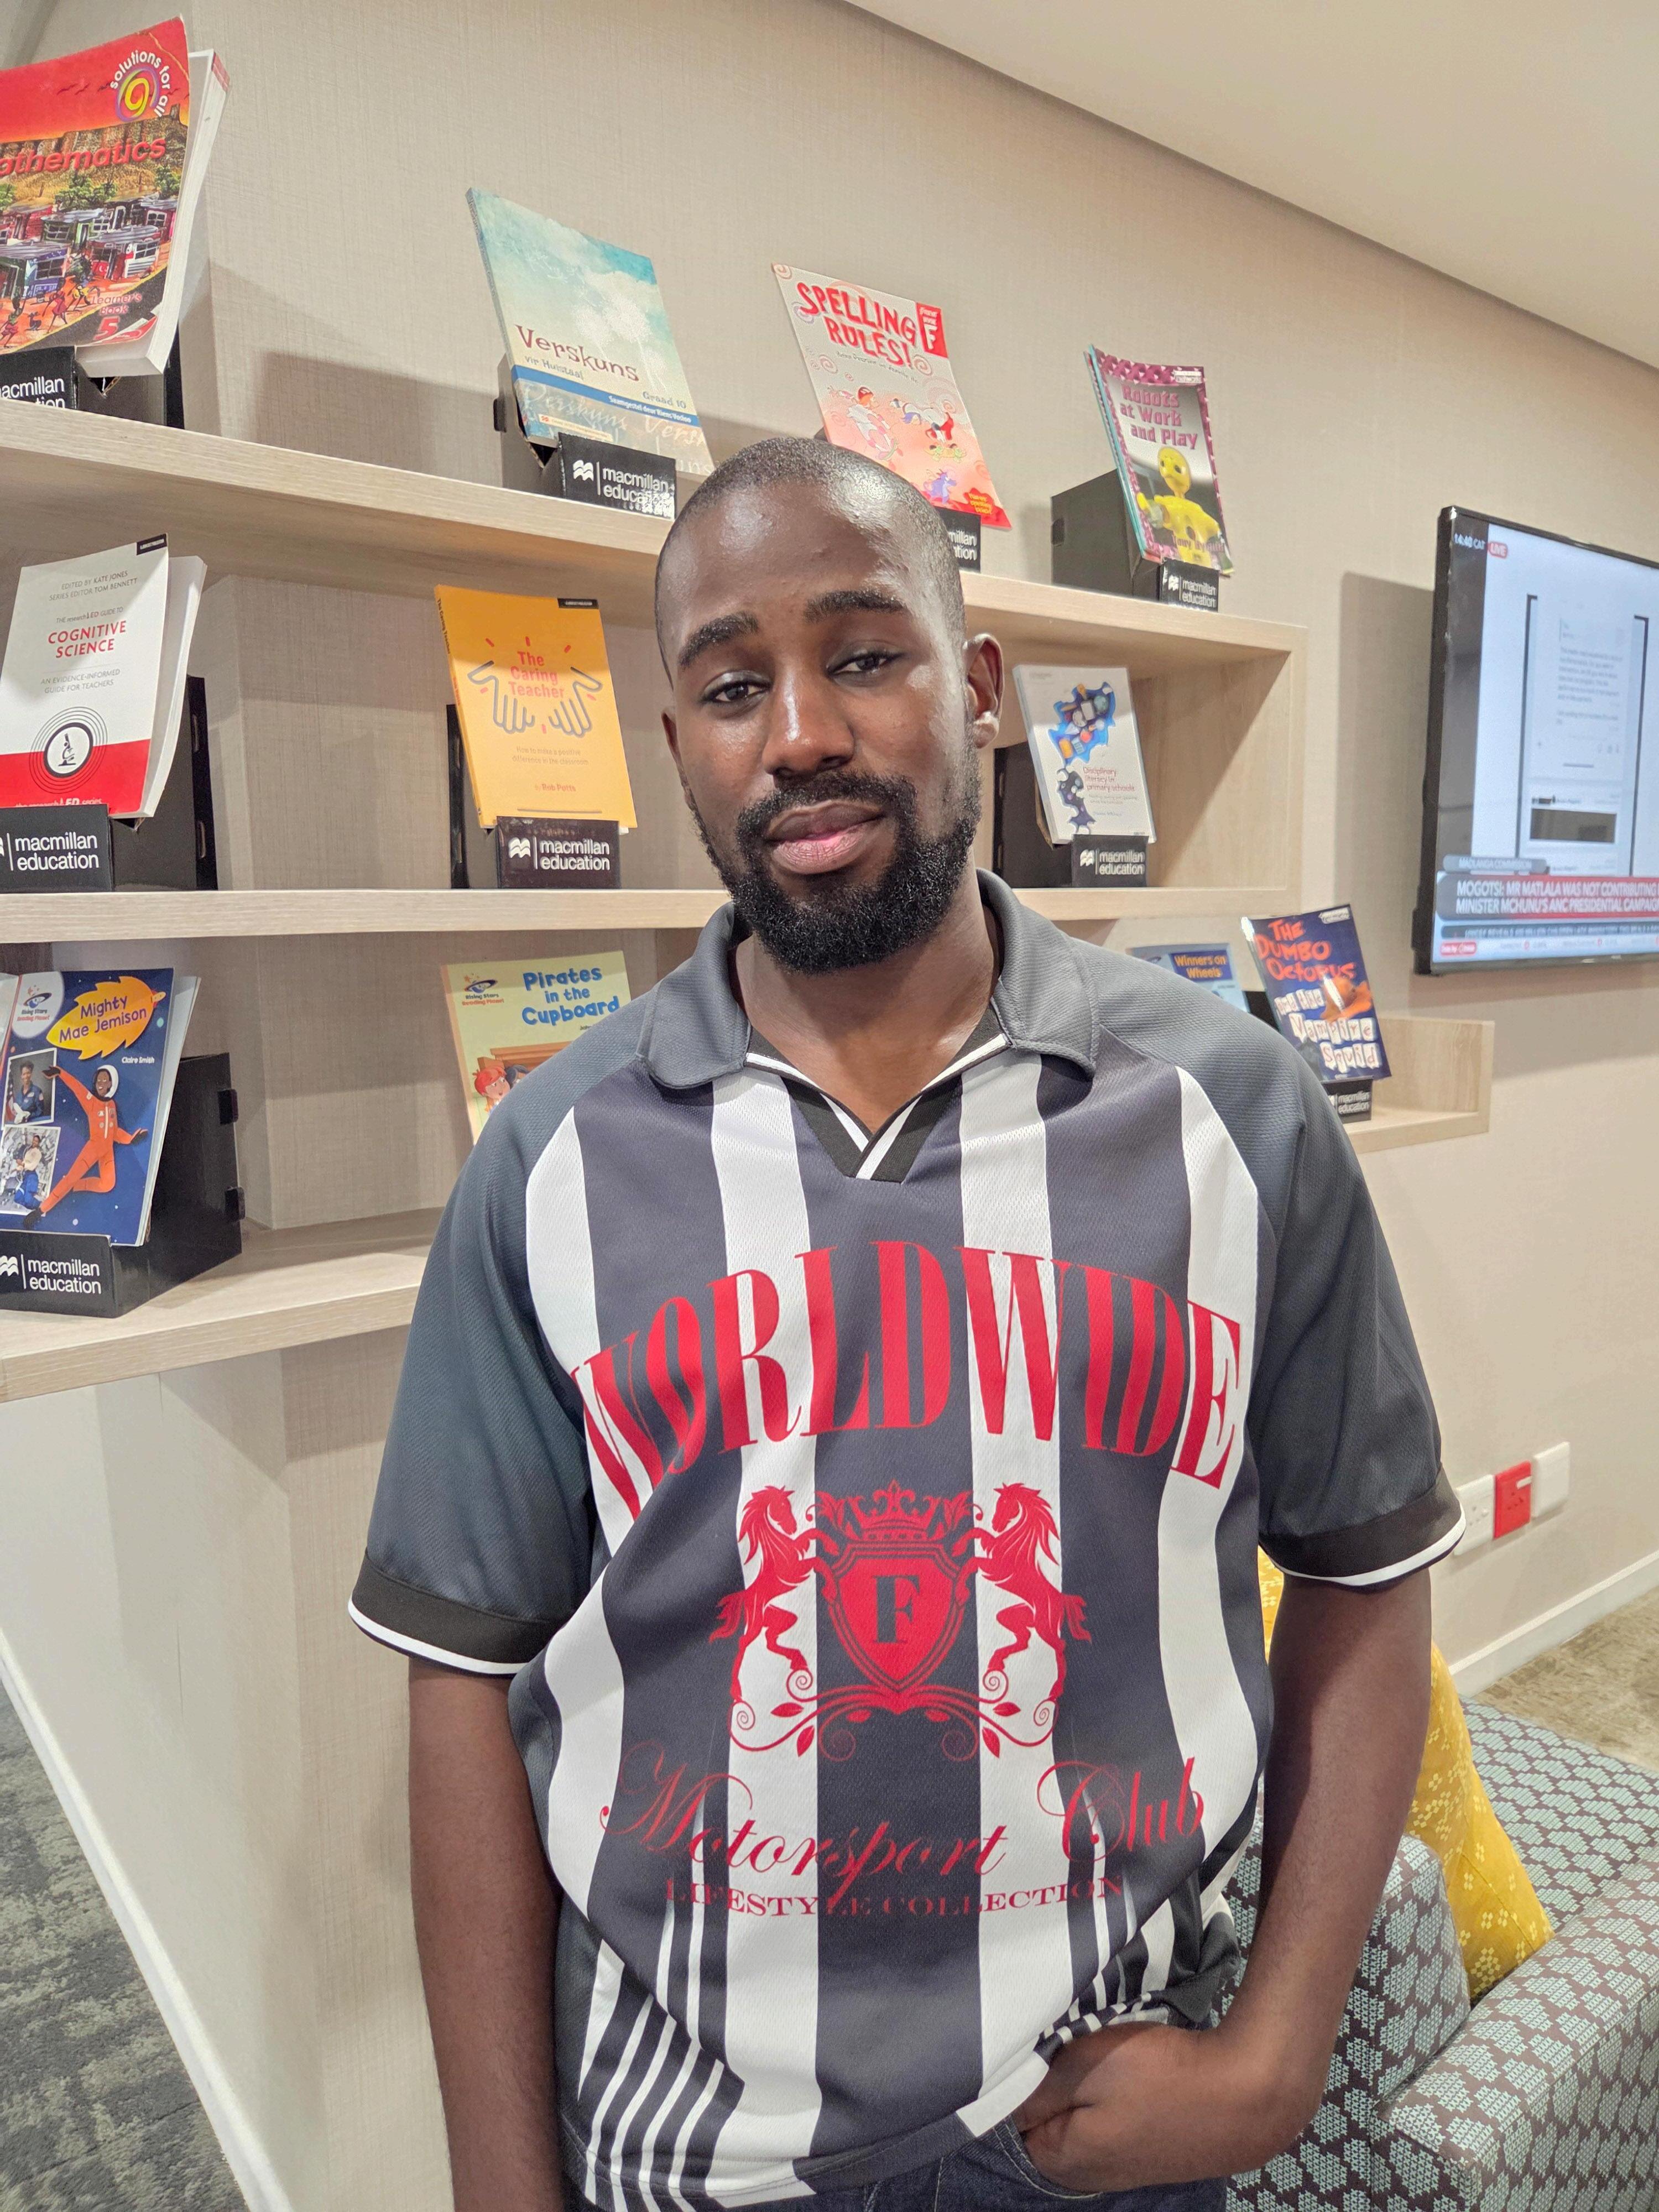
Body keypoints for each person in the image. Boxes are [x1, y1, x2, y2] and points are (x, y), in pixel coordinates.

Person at [351, 437, 1460, 2212]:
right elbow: (464, 1687)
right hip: (684, 2147)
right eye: (733, 687)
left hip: (1104, 2125)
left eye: (865, 655)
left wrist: (1274, 2056)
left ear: (982, 686)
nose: (800, 733)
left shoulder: (1236, 1116)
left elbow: (1368, 1572)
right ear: (677, 744)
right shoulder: (548, 1159)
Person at [33, 1063, 146, 1217]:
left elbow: (115, 1132)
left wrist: (131, 1139)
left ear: (110, 1084)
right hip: (92, 1150)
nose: (101, 1083)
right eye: (99, 1080)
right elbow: (77, 1087)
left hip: (108, 1152)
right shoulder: (91, 1101)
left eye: (105, 1080)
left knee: (108, 1184)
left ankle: (75, 1186)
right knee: (70, 1179)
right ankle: (42, 1209)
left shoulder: (112, 1105)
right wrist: (60, 1072)